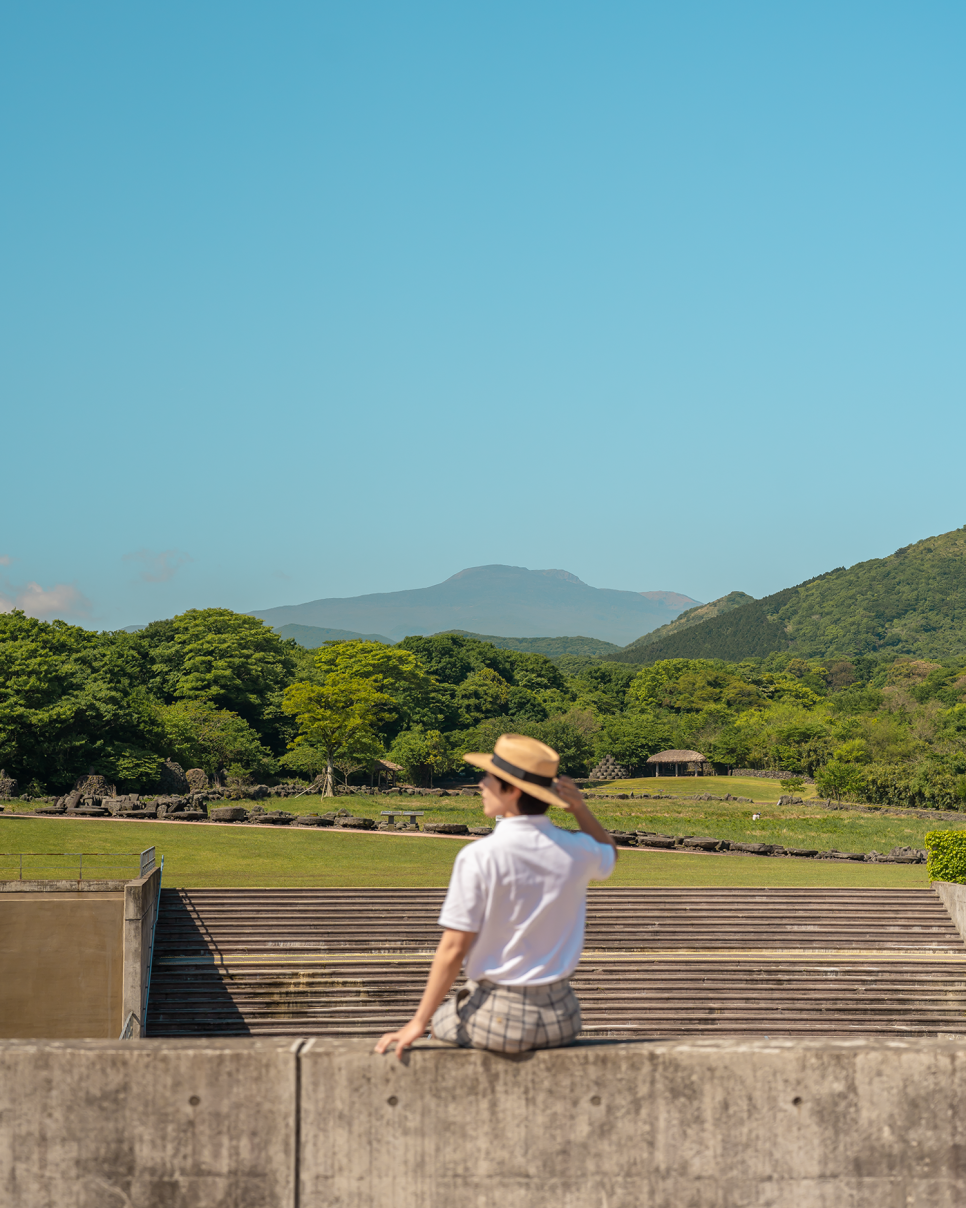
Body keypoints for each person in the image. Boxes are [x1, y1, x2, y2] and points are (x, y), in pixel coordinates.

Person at [374, 733, 617, 1059]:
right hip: (562, 1015)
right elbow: (609, 852)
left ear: (512, 789)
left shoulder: (481, 856)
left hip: (502, 1016)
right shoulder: (577, 850)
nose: (481, 784)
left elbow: (453, 948)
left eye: (488, 778)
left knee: (440, 1021)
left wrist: (417, 1022)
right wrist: (579, 809)